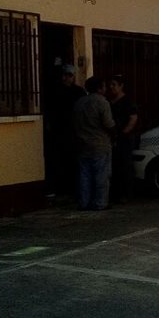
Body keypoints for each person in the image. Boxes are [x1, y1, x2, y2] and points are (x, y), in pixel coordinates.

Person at [73, 76, 115, 211]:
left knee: (84, 175)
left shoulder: (79, 102)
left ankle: (84, 202)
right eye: (104, 86)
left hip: (82, 143)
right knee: (101, 175)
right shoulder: (102, 102)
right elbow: (108, 124)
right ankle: (100, 202)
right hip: (99, 143)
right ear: (99, 88)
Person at [45, 65, 86, 196]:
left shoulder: (79, 92)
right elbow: (49, 109)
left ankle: (71, 189)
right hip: (58, 130)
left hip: (73, 131)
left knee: (72, 160)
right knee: (58, 160)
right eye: (64, 75)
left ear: (73, 77)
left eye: (69, 75)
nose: (65, 78)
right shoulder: (54, 90)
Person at [106, 75, 139, 203]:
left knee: (125, 165)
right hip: (112, 138)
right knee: (114, 166)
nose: (111, 87)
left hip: (124, 138)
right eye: (110, 84)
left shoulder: (127, 102)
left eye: (114, 84)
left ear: (121, 86)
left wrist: (123, 133)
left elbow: (133, 119)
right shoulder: (109, 102)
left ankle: (127, 193)